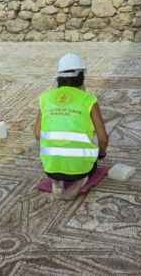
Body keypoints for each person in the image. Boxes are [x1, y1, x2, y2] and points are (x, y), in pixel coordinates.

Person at [33, 54, 109, 200]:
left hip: (50, 167)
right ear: (81, 77)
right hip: (80, 168)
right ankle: (79, 181)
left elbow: (37, 134)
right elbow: (103, 138)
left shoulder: (45, 98)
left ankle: (56, 181)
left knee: (57, 165)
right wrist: (101, 154)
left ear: (59, 78)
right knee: (90, 166)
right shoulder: (88, 99)